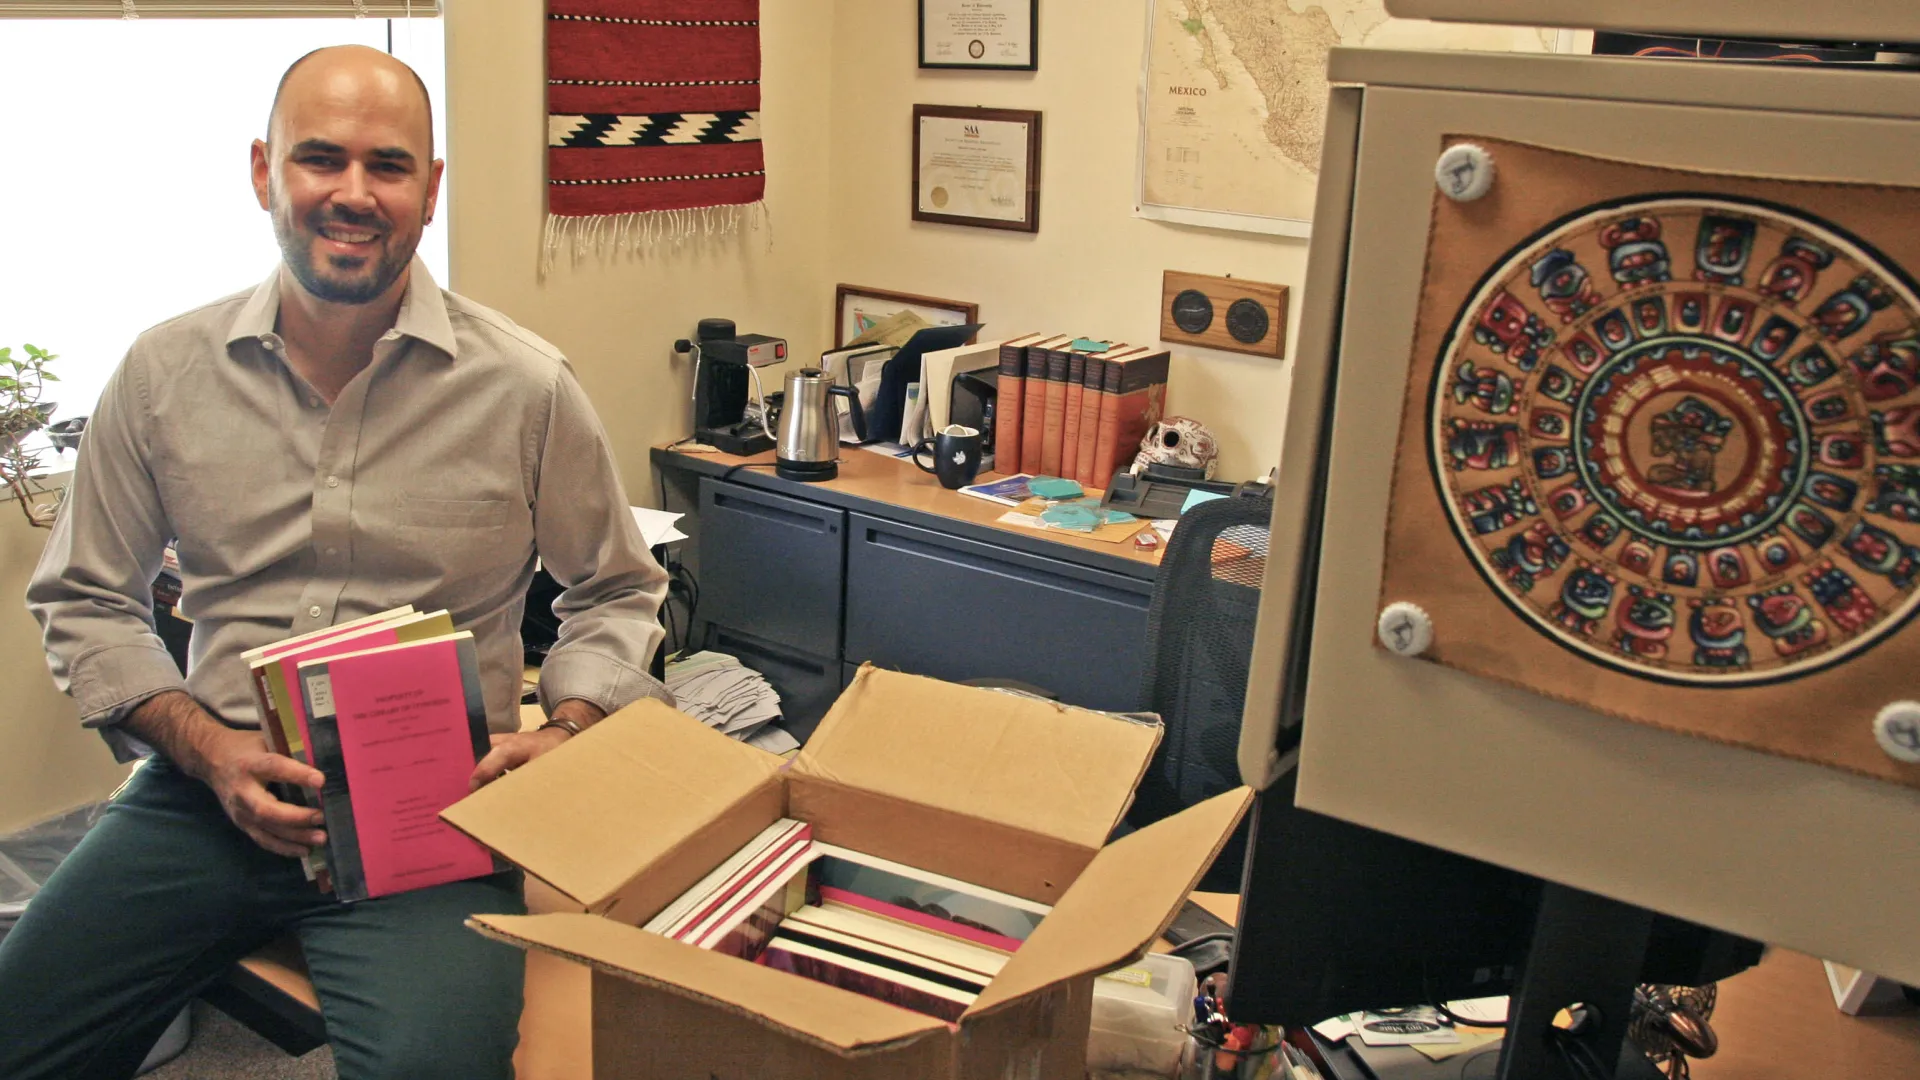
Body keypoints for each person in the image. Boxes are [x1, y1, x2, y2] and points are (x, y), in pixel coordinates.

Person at [0, 45, 668, 1080]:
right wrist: (206, 752)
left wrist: (571, 723)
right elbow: (84, 598)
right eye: (321, 159)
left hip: (434, 816)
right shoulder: (161, 374)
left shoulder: (527, 390)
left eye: (389, 166)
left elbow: (618, 586)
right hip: (204, 791)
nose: (353, 194)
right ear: (265, 172)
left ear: (430, 190)